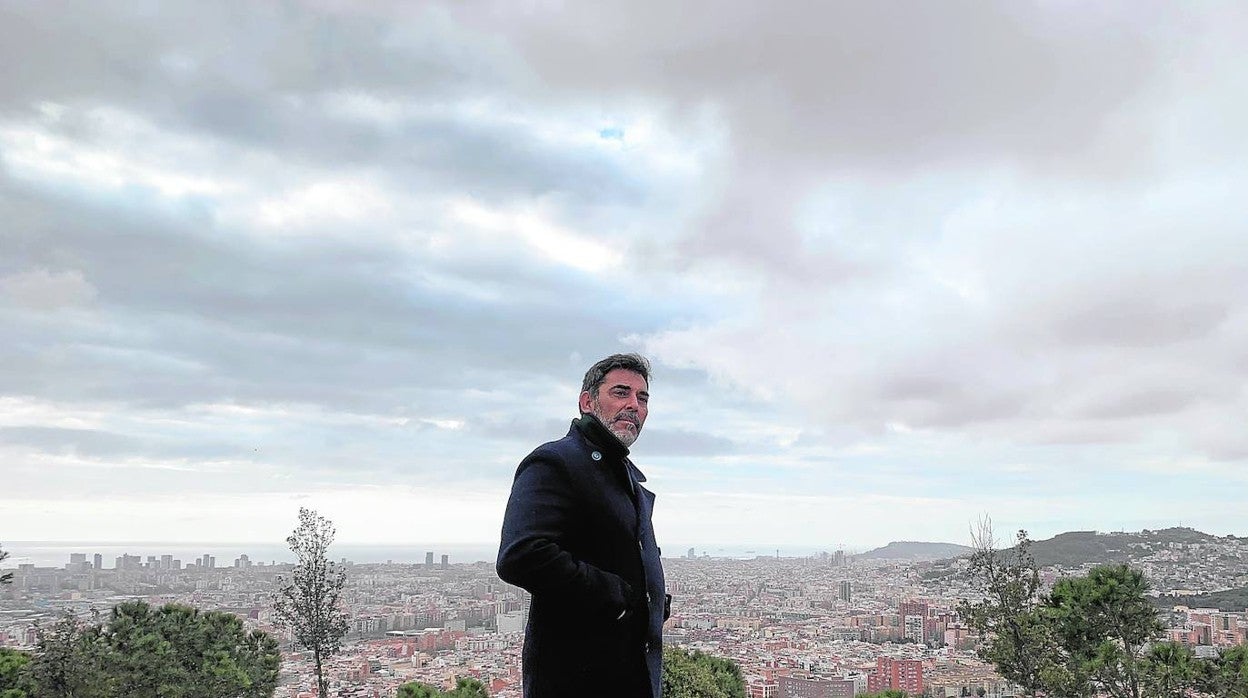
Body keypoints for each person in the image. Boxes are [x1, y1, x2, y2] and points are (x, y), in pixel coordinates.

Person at [497, 353, 669, 697]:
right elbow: (522, 554)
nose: (634, 405)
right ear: (587, 402)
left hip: (629, 675)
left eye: (642, 397)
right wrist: (615, 596)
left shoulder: (622, 476)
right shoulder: (556, 461)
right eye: (621, 393)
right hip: (578, 678)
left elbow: (618, 549)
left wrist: (651, 600)